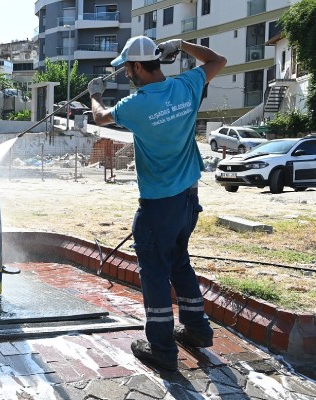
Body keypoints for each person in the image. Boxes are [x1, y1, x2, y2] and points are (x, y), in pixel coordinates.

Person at [88, 36, 227, 371]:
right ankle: (197, 330)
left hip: (157, 205)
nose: (125, 75)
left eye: (126, 68)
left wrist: (94, 94)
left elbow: (101, 118)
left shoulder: (137, 104)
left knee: (154, 273)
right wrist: (181, 44)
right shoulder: (186, 86)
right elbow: (217, 61)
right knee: (179, 263)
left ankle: (163, 350)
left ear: (138, 66)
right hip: (188, 200)